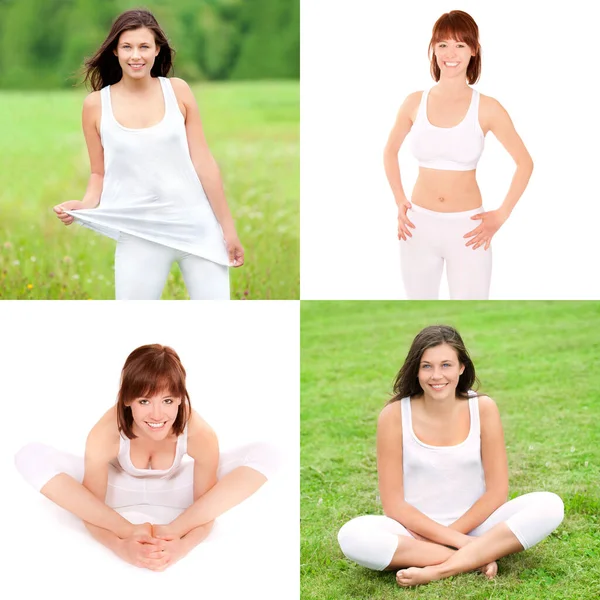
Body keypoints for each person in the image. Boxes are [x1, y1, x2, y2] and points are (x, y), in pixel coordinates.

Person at [14, 344, 279, 572]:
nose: (156, 415)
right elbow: (92, 510)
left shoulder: (198, 432)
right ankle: (130, 528)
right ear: (127, 399)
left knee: (266, 453)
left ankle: (173, 527)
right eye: (144, 401)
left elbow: (205, 509)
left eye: (167, 401)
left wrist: (179, 542)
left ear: (180, 399)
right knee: (29, 456)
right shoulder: (106, 433)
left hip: (178, 490)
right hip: (115, 490)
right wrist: (122, 542)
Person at [337, 325, 564, 587]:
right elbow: (394, 505)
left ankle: (440, 569)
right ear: (416, 370)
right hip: (414, 533)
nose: (436, 376)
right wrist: (460, 543)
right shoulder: (394, 415)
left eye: (446, 365)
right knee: (352, 536)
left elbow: (497, 492)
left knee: (549, 504)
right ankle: (476, 557)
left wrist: (453, 535)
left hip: (479, 528)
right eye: (427, 366)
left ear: (461, 368)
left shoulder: (483, 408)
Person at [53, 9, 244, 300]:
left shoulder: (178, 91)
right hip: (139, 232)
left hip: (198, 226)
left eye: (144, 46)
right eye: (127, 47)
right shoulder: (95, 105)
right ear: (115, 51)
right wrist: (85, 204)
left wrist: (227, 230)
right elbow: (98, 172)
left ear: (157, 50)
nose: (135, 56)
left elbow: (204, 163)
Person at [383, 10, 533, 300]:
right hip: (418, 226)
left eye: (460, 45)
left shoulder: (488, 108)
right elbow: (390, 151)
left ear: (473, 50)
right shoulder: (414, 102)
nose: (450, 54)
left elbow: (524, 163)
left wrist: (501, 215)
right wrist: (400, 199)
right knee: (417, 309)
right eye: (443, 45)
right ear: (433, 50)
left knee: (472, 306)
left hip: (469, 231)